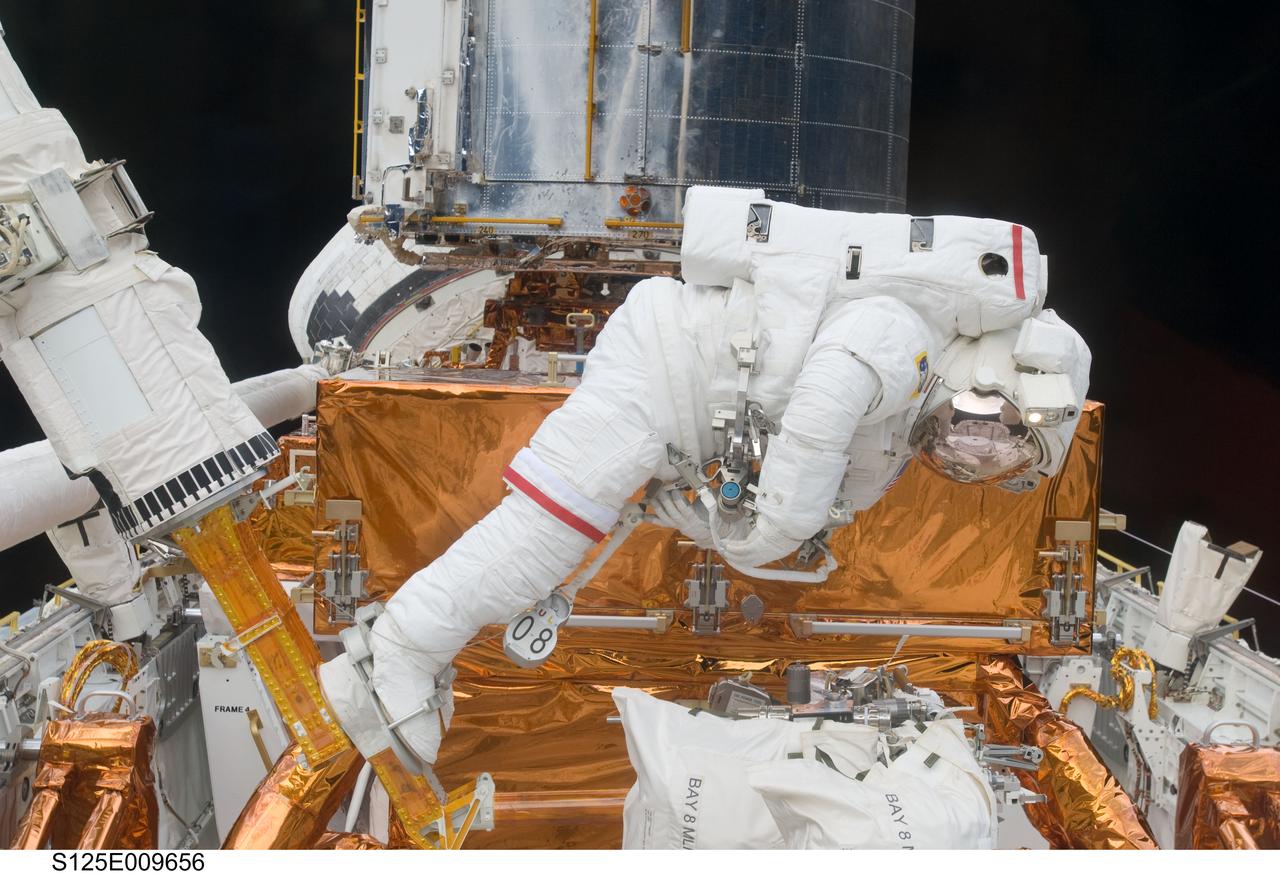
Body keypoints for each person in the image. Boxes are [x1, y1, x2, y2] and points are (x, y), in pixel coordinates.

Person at [359, 186, 1091, 767]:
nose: (967, 459)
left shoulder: (898, 432)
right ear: (997, 379)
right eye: (988, 441)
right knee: (545, 535)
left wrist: (714, 519)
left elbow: (801, 514)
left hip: (679, 428)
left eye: (987, 470)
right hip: (658, 367)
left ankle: (426, 653)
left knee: (558, 544)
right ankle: (399, 653)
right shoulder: (904, 342)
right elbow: (828, 397)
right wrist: (779, 524)